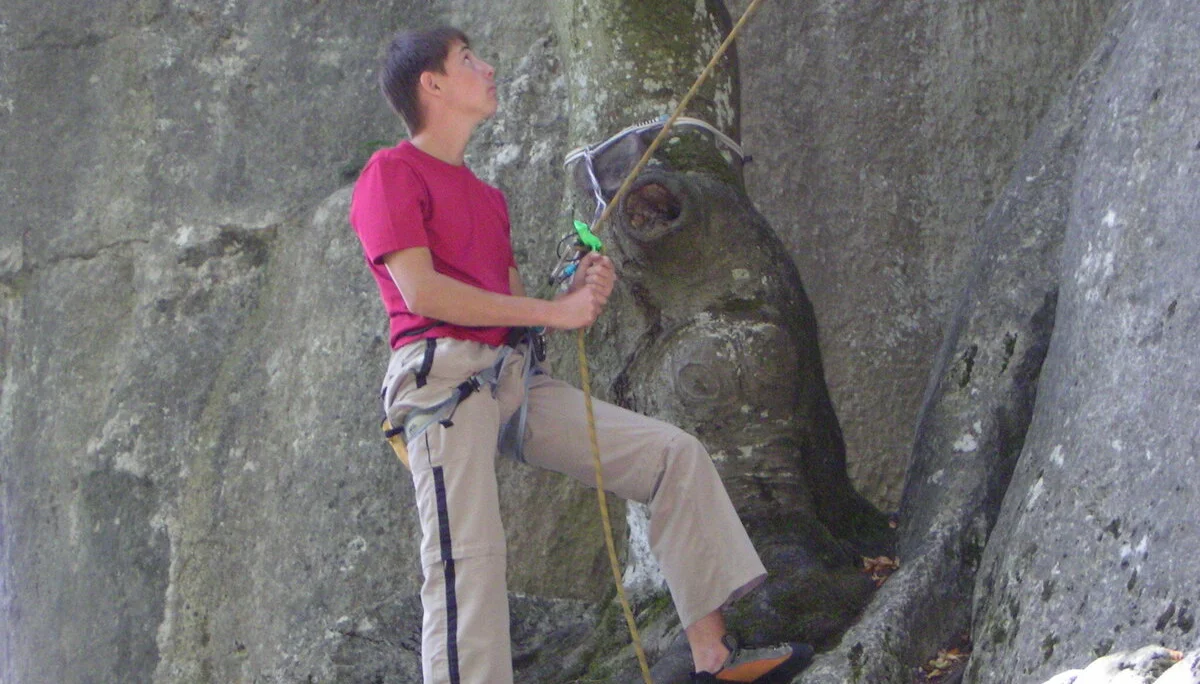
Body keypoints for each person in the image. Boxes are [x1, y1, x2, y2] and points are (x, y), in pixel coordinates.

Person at [349, 25, 813, 684]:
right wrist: (552, 311)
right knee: (469, 558)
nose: (486, 68)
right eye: (468, 60)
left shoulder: (485, 198)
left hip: (512, 376)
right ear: (433, 84)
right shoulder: (390, 172)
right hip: (441, 385)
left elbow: (510, 309)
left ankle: (714, 656)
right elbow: (422, 292)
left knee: (671, 456)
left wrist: (574, 295)